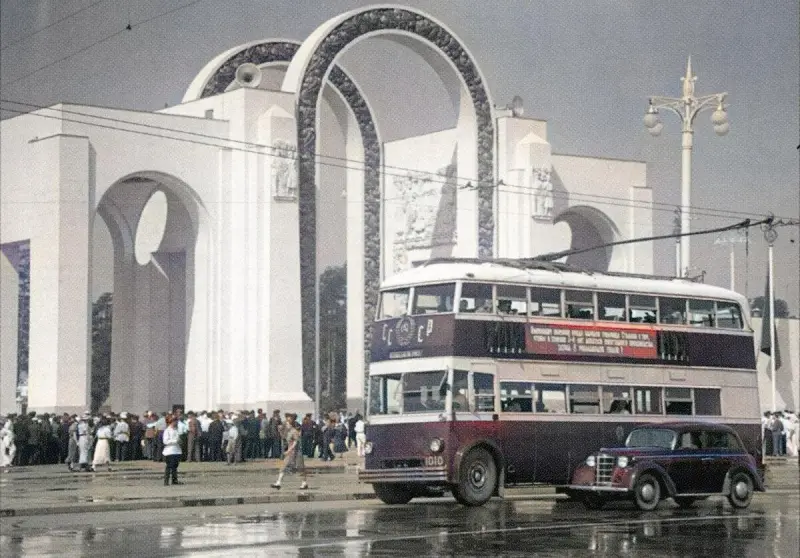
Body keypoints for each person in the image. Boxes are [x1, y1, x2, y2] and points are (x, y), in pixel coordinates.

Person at [271, 413, 308, 490]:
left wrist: (289, 450)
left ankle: (304, 483)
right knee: (283, 466)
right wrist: (280, 430)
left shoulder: (294, 431)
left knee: (300, 468)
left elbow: (296, 442)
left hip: (297, 452)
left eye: (287, 423)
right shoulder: (287, 432)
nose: (286, 424)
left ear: (290, 424)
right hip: (290, 453)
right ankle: (278, 483)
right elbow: (283, 437)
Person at [162, 415, 183, 486]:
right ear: (171, 422)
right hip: (169, 451)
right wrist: (175, 441)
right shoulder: (167, 430)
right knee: (169, 466)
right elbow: (165, 441)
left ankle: (174, 480)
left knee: (175, 466)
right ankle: (166, 481)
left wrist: (179, 441)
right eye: (175, 421)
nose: (176, 422)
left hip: (177, 450)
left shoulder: (176, 429)